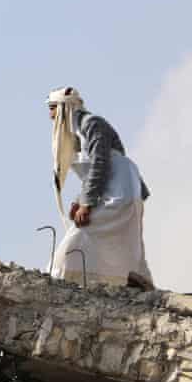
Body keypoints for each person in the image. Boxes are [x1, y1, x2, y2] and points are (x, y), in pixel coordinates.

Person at [46, 86, 154, 289]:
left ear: (64, 107)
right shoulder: (74, 133)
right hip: (111, 191)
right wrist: (80, 201)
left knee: (83, 232)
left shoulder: (91, 124)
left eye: (53, 108)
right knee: (123, 242)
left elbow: (100, 164)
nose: (51, 115)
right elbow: (90, 174)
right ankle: (136, 283)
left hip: (121, 192)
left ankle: (60, 280)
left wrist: (86, 204)